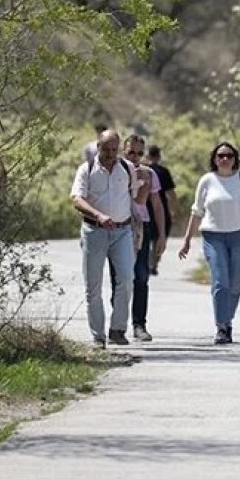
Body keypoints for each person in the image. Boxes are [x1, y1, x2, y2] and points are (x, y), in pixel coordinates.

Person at [178, 142, 240, 345]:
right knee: (220, 281)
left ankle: (228, 319)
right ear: (214, 159)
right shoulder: (207, 180)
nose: (225, 159)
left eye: (229, 156)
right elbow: (197, 211)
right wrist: (187, 239)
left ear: (235, 159)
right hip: (213, 236)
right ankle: (221, 326)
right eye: (220, 155)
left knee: (234, 284)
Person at [71, 129, 140, 349]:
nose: (111, 154)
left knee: (127, 279)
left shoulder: (127, 168)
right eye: (106, 149)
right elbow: (76, 199)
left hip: (122, 231)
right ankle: (98, 335)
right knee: (94, 285)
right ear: (98, 147)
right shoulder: (87, 169)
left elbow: (135, 197)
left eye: (114, 149)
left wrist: (145, 183)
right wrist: (98, 215)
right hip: (94, 232)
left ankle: (118, 329)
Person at [121, 135, 165, 341]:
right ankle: (118, 324)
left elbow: (156, 204)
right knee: (120, 277)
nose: (135, 157)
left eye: (140, 153)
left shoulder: (149, 173)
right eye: (131, 152)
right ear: (124, 151)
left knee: (141, 276)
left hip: (141, 227)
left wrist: (162, 235)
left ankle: (139, 324)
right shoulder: (116, 171)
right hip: (119, 226)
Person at [144, 145, 178, 275]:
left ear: (148, 156)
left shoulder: (144, 170)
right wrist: (174, 210)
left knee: (147, 237)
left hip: (145, 208)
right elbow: (171, 193)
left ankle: (147, 263)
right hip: (161, 208)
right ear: (158, 156)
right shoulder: (164, 171)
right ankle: (154, 264)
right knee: (160, 237)